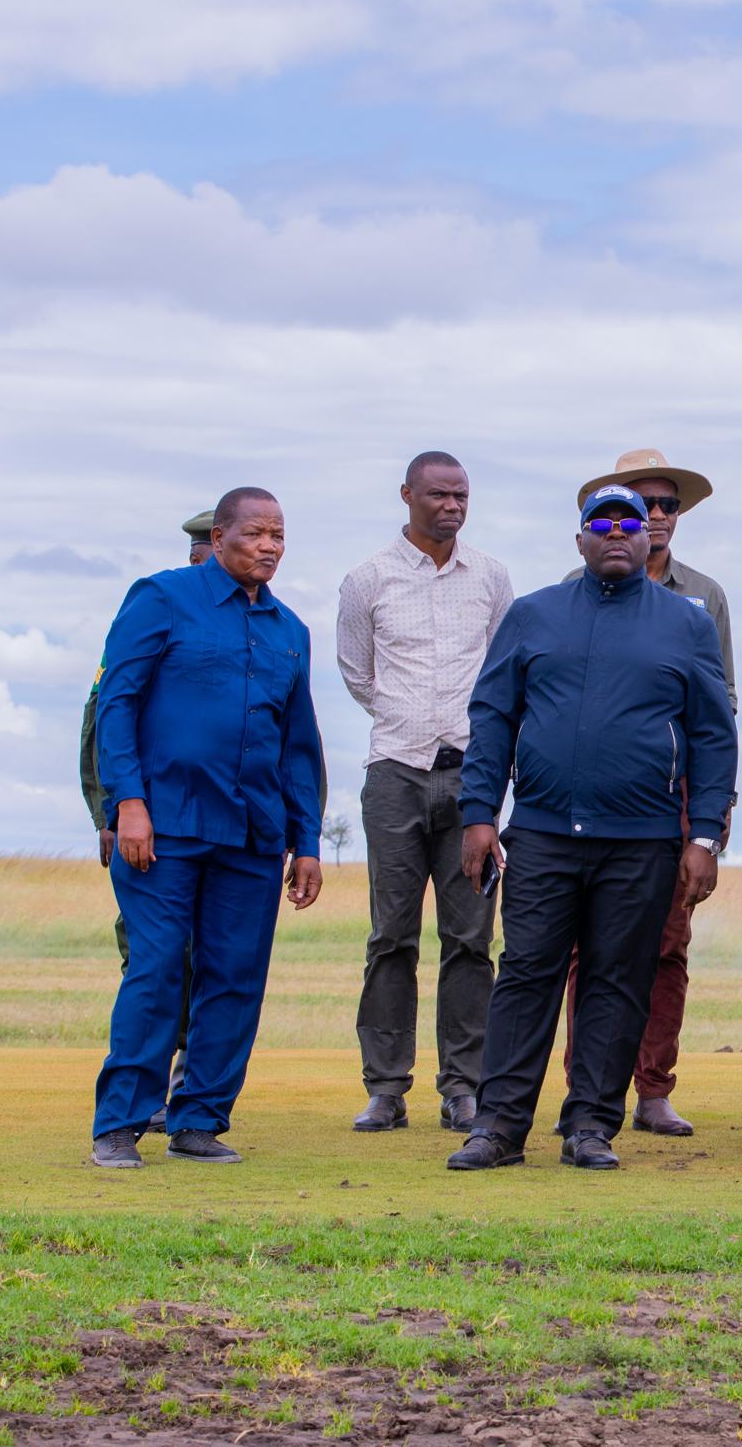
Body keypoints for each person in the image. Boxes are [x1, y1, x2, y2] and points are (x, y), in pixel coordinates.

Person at [450, 485, 737, 1172]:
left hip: (642, 838)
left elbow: (713, 736)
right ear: (579, 539)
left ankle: (591, 1126)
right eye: (599, 523)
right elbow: (493, 717)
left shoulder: (686, 623)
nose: (616, 532)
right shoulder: (532, 616)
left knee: (618, 978)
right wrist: (479, 814)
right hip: (544, 833)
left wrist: (704, 836)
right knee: (525, 974)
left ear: (650, 540)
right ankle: (498, 1126)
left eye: (629, 523)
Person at [88, 488, 327, 1168]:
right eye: (256, 534)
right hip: (165, 828)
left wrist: (305, 840)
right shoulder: (161, 599)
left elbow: (299, 747)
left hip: (252, 834)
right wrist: (127, 802)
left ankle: (199, 1121)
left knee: (235, 976)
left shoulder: (290, 630)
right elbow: (118, 705)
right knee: (159, 968)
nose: (271, 547)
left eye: (280, 536)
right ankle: (120, 1125)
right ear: (219, 537)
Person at [338, 453, 515, 1137]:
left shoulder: (492, 578)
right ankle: (385, 1087)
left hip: (473, 775)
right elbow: (360, 675)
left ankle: (464, 1087)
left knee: (471, 938)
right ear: (407, 494)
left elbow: (502, 674)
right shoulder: (367, 580)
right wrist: (409, 721)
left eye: (461, 495)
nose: (451, 505)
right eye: (438, 494)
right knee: (391, 938)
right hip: (396, 772)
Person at [569, 448, 734, 1140]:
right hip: (595, 795)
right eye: (643, 502)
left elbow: (721, 708)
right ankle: (586, 1093)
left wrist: (711, 820)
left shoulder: (704, 596)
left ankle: (652, 1088)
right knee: (585, 949)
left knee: (666, 946)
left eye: (668, 504)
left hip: (677, 794)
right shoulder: (578, 589)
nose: (655, 515)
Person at [79, 507, 213, 1134]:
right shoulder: (158, 609)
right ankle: (141, 1094)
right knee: (152, 959)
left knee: (213, 962)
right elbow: (104, 720)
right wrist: (109, 810)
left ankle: (191, 1087)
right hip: (146, 825)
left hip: (219, 830)